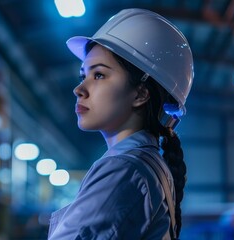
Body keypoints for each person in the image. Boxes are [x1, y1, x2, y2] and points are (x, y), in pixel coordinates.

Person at [48, 8, 194, 239]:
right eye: (82, 76)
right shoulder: (144, 166)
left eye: (98, 75)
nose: (79, 90)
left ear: (140, 94)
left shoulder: (126, 170)